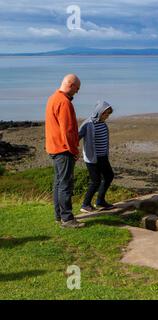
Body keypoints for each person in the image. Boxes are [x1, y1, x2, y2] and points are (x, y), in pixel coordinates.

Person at [45, 74, 85, 228]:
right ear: (70, 84)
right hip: (63, 149)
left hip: (54, 147)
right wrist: (74, 150)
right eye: (77, 88)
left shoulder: (53, 98)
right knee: (65, 184)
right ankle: (67, 219)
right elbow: (67, 130)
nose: (77, 92)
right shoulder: (64, 102)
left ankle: (59, 216)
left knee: (58, 183)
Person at [78, 101, 115, 213]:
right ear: (99, 112)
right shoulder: (88, 124)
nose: (107, 116)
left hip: (103, 157)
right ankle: (85, 205)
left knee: (109, 176)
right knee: (96, 181)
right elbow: (77, 137)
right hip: (92, 158)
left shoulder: (102, 123)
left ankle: (100, 201)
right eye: (105, 114)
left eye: (108, 114)